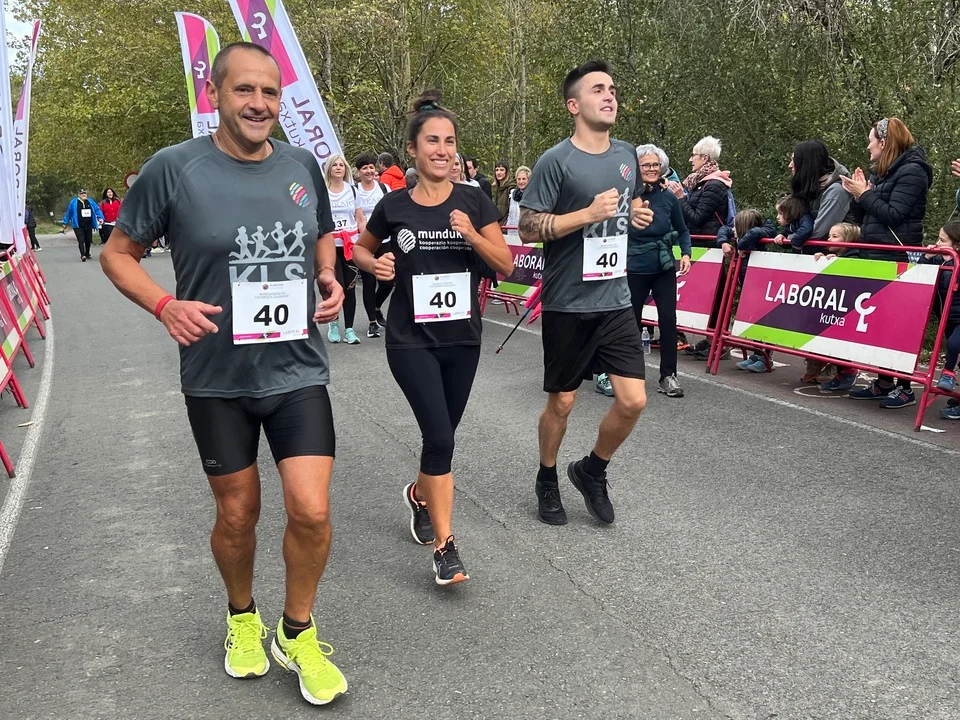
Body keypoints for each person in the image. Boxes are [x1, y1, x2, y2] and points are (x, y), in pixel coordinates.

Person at [99, 42, 348, 706]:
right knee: (238, 515)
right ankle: (242, 615)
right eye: (245, 90)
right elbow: (118, 254)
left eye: (270, 92)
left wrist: (328, 274)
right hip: (217, 377)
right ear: (215, 94)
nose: (259, 104)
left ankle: (297, 631)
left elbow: (322, 231)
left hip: (297, 368)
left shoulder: (300, 164)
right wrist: (164, 304)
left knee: (312, 510)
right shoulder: (174, 168)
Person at [352, 90, 513, 584]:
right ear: (413, 150)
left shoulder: (474, 200)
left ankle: (420, 495)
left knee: (441, 438)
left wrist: (473, 234)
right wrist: (374, 265)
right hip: (411, 338)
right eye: (432, 141)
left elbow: (506, 265)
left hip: (462, 338)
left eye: (449, 142)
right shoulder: (393, 205)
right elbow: (360, 250)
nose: (442, 150)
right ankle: (446, 548)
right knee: (439, 437)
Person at [518, 59, 653, 527]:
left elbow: (628, 205)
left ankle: (592, 470)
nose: (609, 95)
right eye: (598, 89)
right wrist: (586, 215)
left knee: (633, 400)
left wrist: (635, 215)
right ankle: (547, 476)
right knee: (563, 402)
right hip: (568, 301)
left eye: (612, 88)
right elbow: (528, 226)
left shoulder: (627, 154)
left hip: (615, 300)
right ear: (574, 105)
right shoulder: (555, 161)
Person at [841, 117, 932, 409]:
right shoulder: (883, 172)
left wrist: (865, 194)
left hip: (897, 255)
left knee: (897, 322)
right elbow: (864, 216)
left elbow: (894, 215)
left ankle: (904, 388)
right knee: (879, 322)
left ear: (884, 142)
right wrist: (857, 194)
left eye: (871, 141)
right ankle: (883, 382)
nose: (868, 146)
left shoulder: (913, 171)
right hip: (875, 253)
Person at [616, 144, 691, 398]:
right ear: (637, 168)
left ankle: (668, 376)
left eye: (655, 165)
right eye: (646, 165)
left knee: (668, 321)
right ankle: (629, 375)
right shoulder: (627, 196)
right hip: (635, 268)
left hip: (663, 267)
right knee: (631, 323)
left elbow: (682, 229)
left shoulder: (668, 197)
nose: (651, 169)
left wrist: (686, 253)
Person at [717, 210, 777, 372]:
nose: (733, 230)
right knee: (753, 320)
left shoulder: (756, 238)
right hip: (747, 286)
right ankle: (756, 354)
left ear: (744, 227)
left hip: (761, 286)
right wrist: (723, 242)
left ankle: (766, 358)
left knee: (764, 321)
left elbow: (753, 236)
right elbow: (724, 229)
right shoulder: (743, 235)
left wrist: (741, 244)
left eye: (736, 226)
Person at [325, 154, 365, 345]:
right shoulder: (323, 191)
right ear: (329, 169)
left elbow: (360, 219)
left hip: (350, 245)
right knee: (336, 286)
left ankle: (349, 329)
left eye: (342, 165)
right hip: (330, 247)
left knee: (350, 287)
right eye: (335, 165)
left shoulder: (353, 191)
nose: (339, 168)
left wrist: (365, 243)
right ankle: (333, 323)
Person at [787, 139, 855, 250]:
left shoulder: (836, 191)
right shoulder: (810, 188)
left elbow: (818, 232)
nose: (790, 165)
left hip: (835, 256)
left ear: (806, 164)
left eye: (794, 160)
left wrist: (789, 239)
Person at [353, 152, 393, 338]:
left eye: (371, 167)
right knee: (368, 283)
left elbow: (392, 212)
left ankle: (377, 307)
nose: (369, 171)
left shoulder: (384, 188)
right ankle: (371, 322)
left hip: (385, 241)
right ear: (358, 171)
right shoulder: (354, 191)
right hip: (365, 243)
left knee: (387, 282)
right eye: (364, 168)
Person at [924, 222, 960, 418]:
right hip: (947, 316)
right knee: (953, 344)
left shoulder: (955, 261)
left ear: (957, 245)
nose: (937, 243)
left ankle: (948, 373)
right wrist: (927, 257)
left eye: (942, 240)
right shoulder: (941, 259)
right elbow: (922, 274)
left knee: (954, 344)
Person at [666, 136, 731, 237]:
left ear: (705, 158)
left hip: (707, 243)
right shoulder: (699, 182)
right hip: (698, 241)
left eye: (693, 155)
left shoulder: (714, 185)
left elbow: (697, 219)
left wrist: (681, 198)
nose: (690, 159)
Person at [61, 189, 104, 262]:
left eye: (84, 193)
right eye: (81, 193)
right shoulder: (74, 202)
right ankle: (82, 255)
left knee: (88, 240)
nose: (83, 195)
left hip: (89, 224)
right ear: (78, 195)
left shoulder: (90, 201)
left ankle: (87, 253)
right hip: (78, 225)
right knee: (81, 240)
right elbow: (69, 213)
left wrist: (100, 218)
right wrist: (65, 222)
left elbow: (97, 210)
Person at [505, 165, 531, 230]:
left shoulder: (533, 195)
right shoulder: (512, 194)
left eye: (524, 179)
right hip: (512, 230)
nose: (521, 182)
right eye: (519, 179)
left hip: (527, 231)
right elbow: (510, 214)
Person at [491, 161, 516, 225]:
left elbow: (511, 210)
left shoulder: (511, 188)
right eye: (497, 170)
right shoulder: (495, 188)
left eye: (501, 170)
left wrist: (504, 223)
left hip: (506, 225)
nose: (498, 173)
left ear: (506, 172)